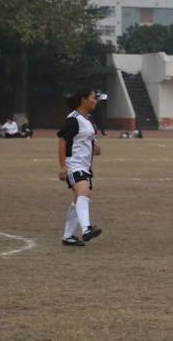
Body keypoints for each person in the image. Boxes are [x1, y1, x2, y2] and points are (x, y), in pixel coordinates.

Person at [57, 89, 102, 246]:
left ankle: (68, 236)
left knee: (78, 200)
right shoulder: (73, 119)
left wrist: (95, 147)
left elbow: (88, 142)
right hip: (73, 164)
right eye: (93, 97)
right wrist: (63, 167)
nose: (95, 100)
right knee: (84, 193)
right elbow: (63, 141)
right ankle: (86, 229)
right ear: (83, 100)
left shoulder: (88, 120)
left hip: (84, 166)